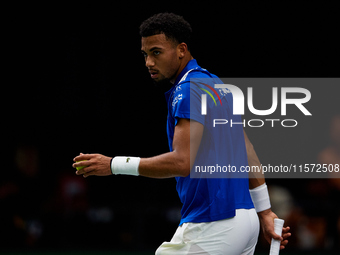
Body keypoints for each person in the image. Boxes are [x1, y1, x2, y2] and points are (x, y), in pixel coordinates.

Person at [73, 13, 290, 254]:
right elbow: (247, 151)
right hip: (245, 221)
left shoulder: (187, 90)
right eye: (145, 54)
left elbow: (182, 162)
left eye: (156, 52)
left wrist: (113, 164)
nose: (148, 62)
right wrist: (265, 211)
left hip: (214, 223)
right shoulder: (216, 85)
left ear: (181, 49)